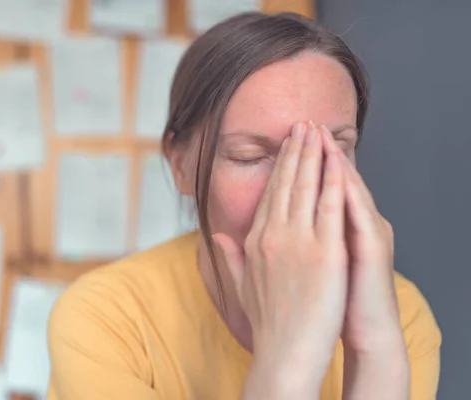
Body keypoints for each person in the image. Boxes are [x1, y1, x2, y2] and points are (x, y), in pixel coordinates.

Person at [47, 12, 441, 400]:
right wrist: (287, 358)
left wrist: (375, 351)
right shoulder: (103, 320)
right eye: (249, 156)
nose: (299, 188)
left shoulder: (399, 316)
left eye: (332, 150)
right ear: (181, 165)